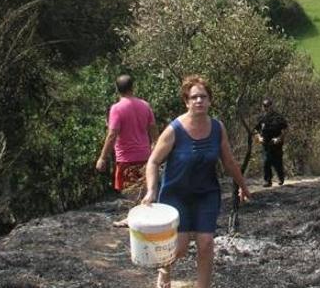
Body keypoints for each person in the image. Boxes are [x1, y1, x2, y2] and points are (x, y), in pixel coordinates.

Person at [141, 75, 251, 288]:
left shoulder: (218, 128)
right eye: (194, 97)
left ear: (210, 101)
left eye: (203, 97)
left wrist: (243, 187)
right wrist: (151, 191)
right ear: (187, 102)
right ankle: (165, 269)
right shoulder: (174, 130)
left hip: (206, 194)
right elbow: (153, 162)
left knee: (206, 243)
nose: (199, 101)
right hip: (176, 194)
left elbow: (228, 162)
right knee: (179, 248)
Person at [95, 74, 157, 227]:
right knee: (143, 188)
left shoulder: (116, 109)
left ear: (117, 89)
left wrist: (102, 158)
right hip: (144, 155)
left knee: (129, 191)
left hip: (126, 157)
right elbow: (153, 128)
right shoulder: (145, 105)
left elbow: (112, 134)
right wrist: (155, 145)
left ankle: (133, 219)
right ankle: (144, 217)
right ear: (132, 87)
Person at [254, 98, 288, 187]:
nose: (266, 108)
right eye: (264, 106)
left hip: (276, 144)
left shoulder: (278, 117)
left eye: (268, 106)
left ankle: (281, 178)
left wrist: (279, 138)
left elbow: (284, 130)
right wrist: (259, 138)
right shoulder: (261, 118)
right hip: (266, 143)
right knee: (266, 161)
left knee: (277, 163)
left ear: (271, 106)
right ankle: (268, 181)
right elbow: (255, 131)